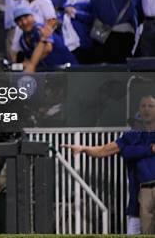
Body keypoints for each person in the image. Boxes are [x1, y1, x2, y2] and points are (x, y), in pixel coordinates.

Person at [63, 95, 155, 234]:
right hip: (141, 195)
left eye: (150, 106)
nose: (146, 109)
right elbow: (104, 150)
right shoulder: (131, 137)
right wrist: (84, 148)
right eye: (143, 106)